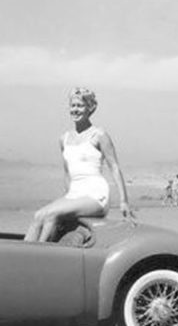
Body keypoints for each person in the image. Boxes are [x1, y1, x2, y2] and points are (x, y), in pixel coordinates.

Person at [25, 87, 133, 242]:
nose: (75, 110)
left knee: (50, 214)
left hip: (95, 195)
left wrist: (124, 201)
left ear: (90, 108)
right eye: (73, 106)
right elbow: (67, 173)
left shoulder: (99, 135)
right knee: (38, 216)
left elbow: (114, 167)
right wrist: (66, 200)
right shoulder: (64, 138)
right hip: (74, 195)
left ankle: (38, 258)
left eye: (80, 106)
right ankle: (22, 260)